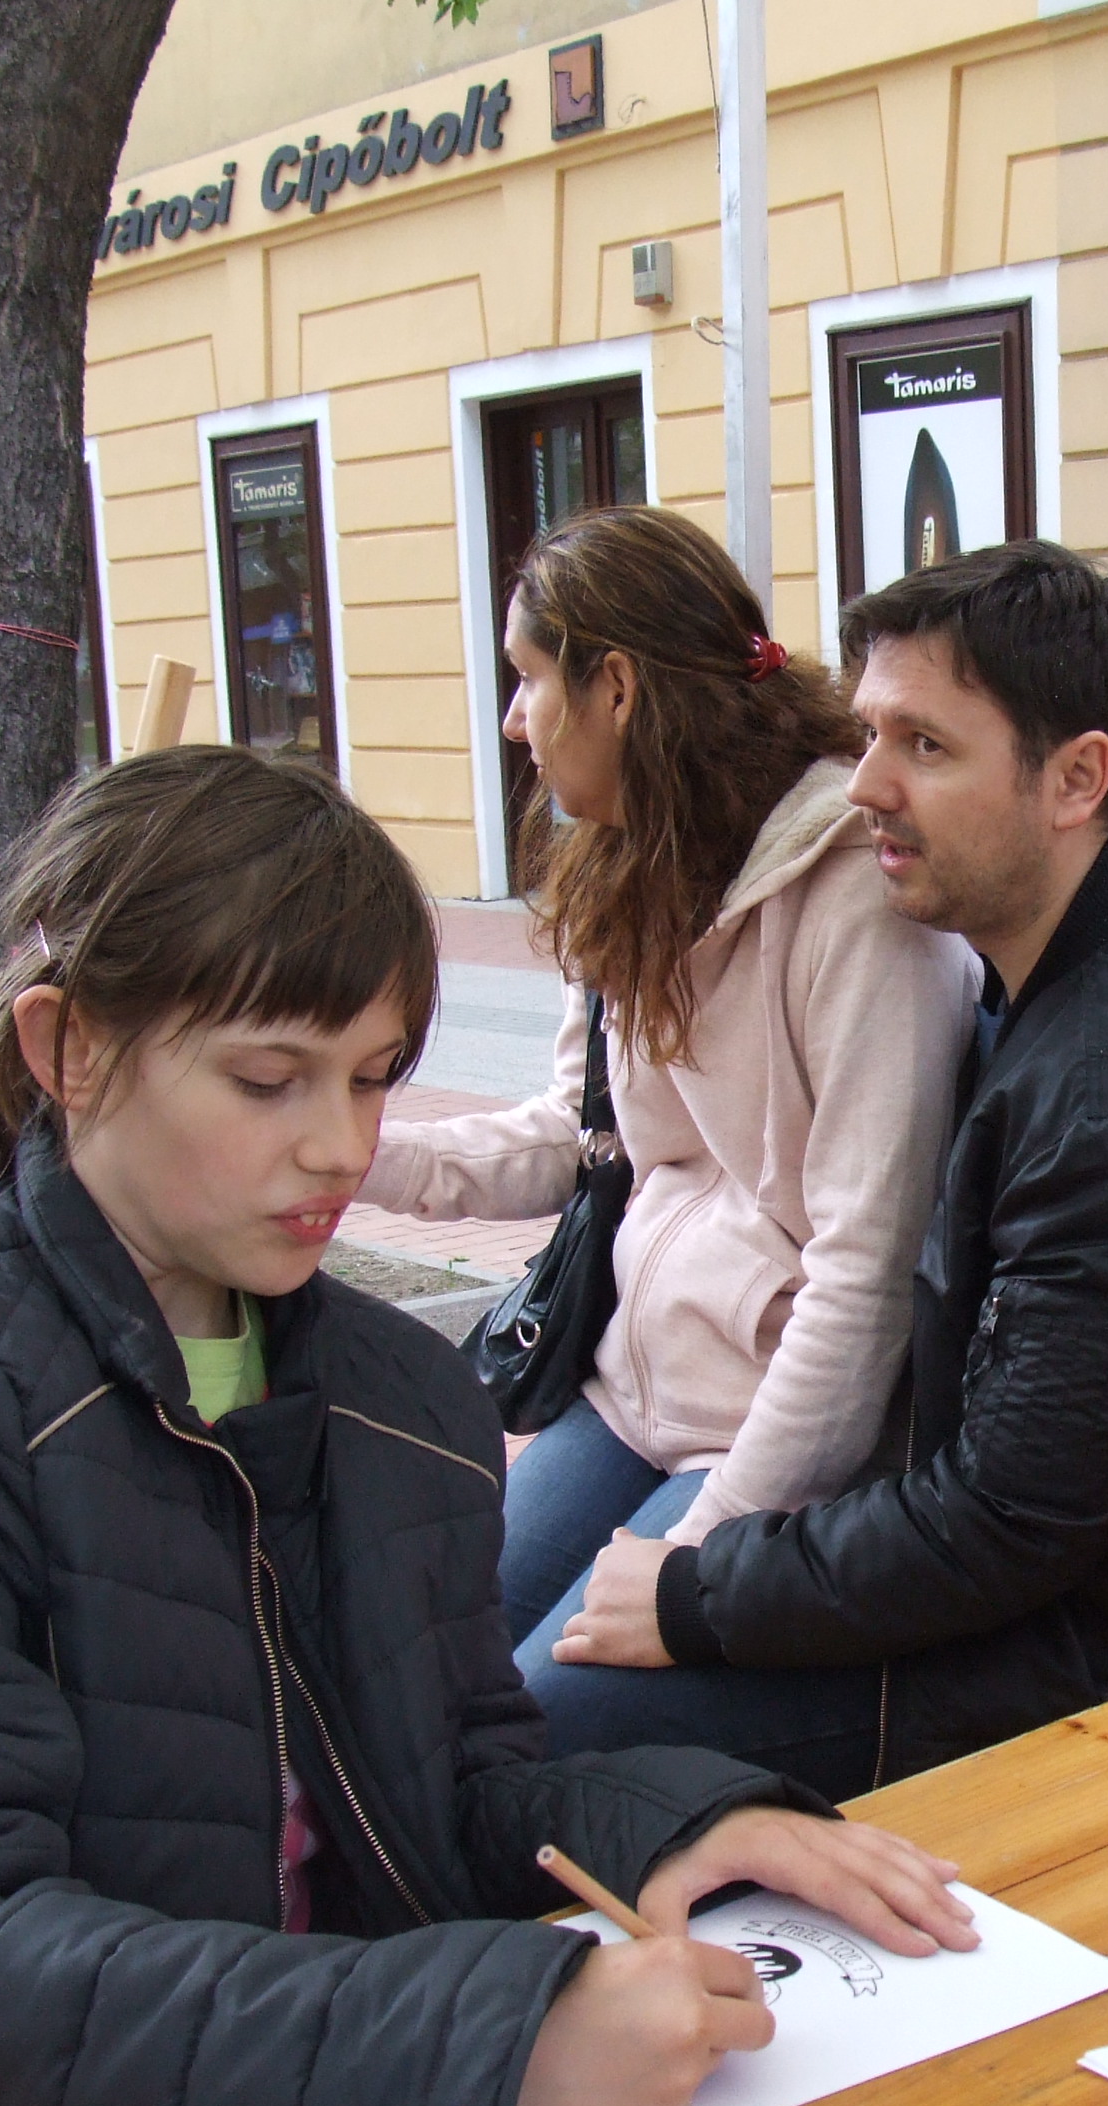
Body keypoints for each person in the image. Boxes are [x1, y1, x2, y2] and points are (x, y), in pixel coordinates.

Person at [0, 746, 975, 2106]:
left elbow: (452, 1785)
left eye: (374, 1077)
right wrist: (487, 2047)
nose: (342, 1146)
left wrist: (682, 1823)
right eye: (269, 1081)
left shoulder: (396, 1400)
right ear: (66, 1049)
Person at [529, 540, 1108, 1794]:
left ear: (1076, 779)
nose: (863, 788)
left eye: (924, 747)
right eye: (867, 734)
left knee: (532, 1733)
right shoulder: (1088, 944)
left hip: (1092, 1662)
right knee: (478, 1656)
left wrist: (695, 1590)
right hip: (1013, 1575)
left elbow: (1004, 1523)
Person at [361, 507, 972, 1666]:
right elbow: (583, 1139)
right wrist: (362, 1156)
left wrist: (697, 1565)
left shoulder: (854, 901)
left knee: (534, 1714)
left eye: (529, 677)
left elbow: (865, 1277)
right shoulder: (625, 863)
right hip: (629, 1398)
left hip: (773, 1441)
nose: (514, 718)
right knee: (419, 1657)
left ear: (617, 688)